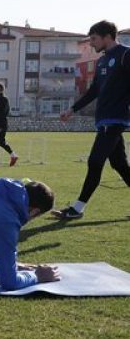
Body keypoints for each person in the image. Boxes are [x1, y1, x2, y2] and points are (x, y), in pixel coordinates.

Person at [53, 20, 130, 219]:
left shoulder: (125, 55)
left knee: (95, 161)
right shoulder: (102, 60)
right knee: (120, 165)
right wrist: (72, 109)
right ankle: (77, 209)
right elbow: (94, 90)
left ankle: (77, 209)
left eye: (94, 39)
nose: (91, 44)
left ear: (108, 37)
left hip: (116, 119)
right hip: (103, 119)